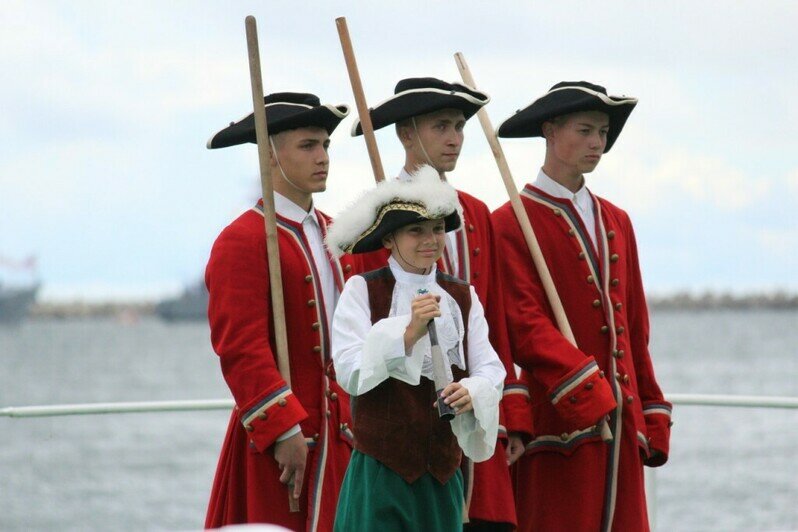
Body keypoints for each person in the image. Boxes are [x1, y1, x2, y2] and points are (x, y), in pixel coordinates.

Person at [491, 81, 673, 532]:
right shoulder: (510, 221)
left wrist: (649, 407)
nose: (597, 143)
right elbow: (523, 323)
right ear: (550, 131)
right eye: (586, 130)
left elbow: (634, 328)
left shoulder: (617, 219)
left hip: (621, 427)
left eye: (603, 133)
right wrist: (586, 389)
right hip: (558, 427)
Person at [352, 77, 529, 530]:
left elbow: (493, 324)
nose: (454, 139)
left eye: (459, 127)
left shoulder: (476, 212)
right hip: (400, 426)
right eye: (440, 126)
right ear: (406, 134)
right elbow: (358, 336)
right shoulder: (374, 217)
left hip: (470, 414)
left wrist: (505, 409)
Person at [203, 92, 358, 531]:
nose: (323, 156)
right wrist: (283, 428)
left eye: (325, 144)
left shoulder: (339, 234)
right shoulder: (242, 239)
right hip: (281, 441)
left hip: (342, 439)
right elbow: (240, 347)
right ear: (270, 154)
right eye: (308, 146)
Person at [325, 165, 506, 531]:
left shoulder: (462, 295)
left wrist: (471, 391)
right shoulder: (362, 290)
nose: (430, 239)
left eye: (437, 228)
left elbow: (490, 367)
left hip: (441, 474)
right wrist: (406, 333)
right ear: (389, 239)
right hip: (381, 472)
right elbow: (349, 370)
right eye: (416, 230)